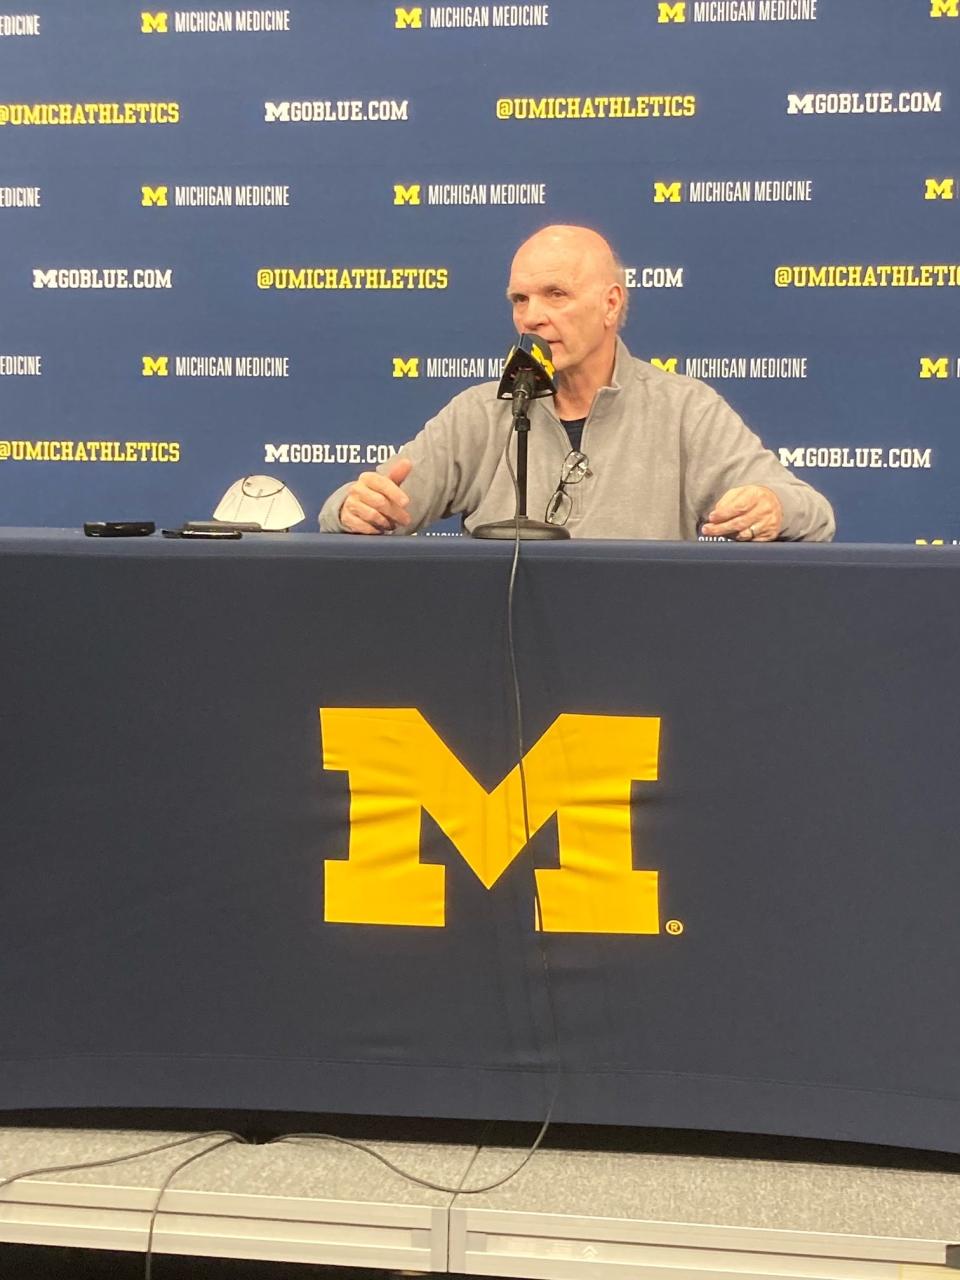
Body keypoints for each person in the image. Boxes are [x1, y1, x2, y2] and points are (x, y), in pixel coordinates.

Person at [318, 225, 835, 541]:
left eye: (555, 294)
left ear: (610, 304)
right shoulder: (480, 411)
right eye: (520, 299)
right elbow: (362, 508)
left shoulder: (684, 409)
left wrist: (773, 507)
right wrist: (352, 509)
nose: (532, 317)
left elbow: (813, 514)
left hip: (637, 661)